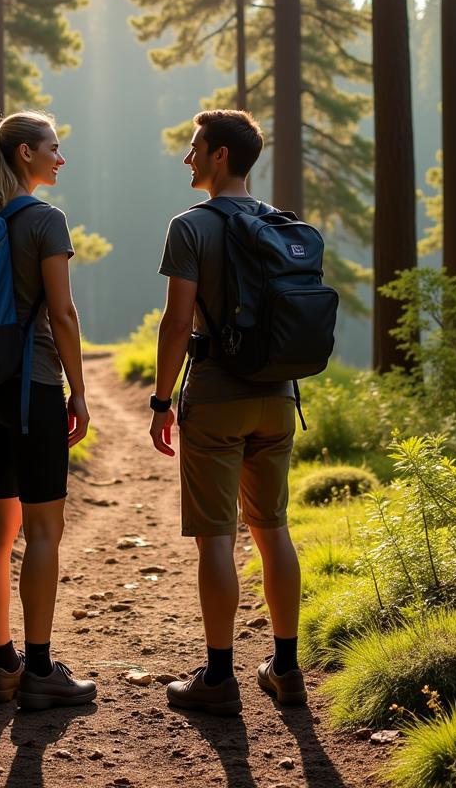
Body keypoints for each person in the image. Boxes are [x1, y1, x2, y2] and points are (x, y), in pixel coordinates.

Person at [149, 109, 306, 716]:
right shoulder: (280, 223)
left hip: (216, 397)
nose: (187, 158)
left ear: (220, 156)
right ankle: (286, 669)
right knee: (273, 530)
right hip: (280, 396)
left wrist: (163, 399)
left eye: (195, 148)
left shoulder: (190, 226)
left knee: (217, 539)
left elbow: (177, 321)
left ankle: (218, 678)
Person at [0, 110, 96, 710]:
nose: (60, 158)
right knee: (43, 529)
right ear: (24, 155)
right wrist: (79, 390)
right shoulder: (45, 221)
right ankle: (41, 670)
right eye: (53, 147)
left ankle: (2, 667)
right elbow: (63, 314)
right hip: (34, 388)